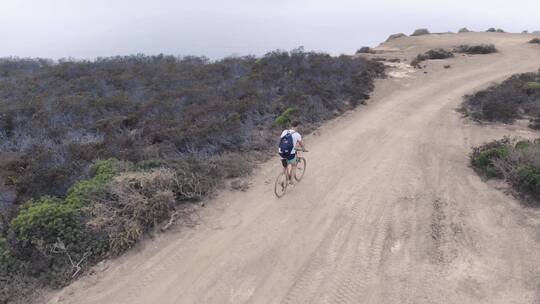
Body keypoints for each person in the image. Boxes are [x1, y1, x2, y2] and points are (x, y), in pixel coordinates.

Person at [278, 120, 307, 185]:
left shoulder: (285, 131)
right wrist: (303, 149)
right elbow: (301, 144)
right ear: (297, 126)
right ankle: (291, 181)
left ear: (291, 125)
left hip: (281, 151)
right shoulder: (297, 135)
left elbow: (281, 140)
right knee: (294, 165)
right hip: (290, 154)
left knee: (285, 165)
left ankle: (281, 179)